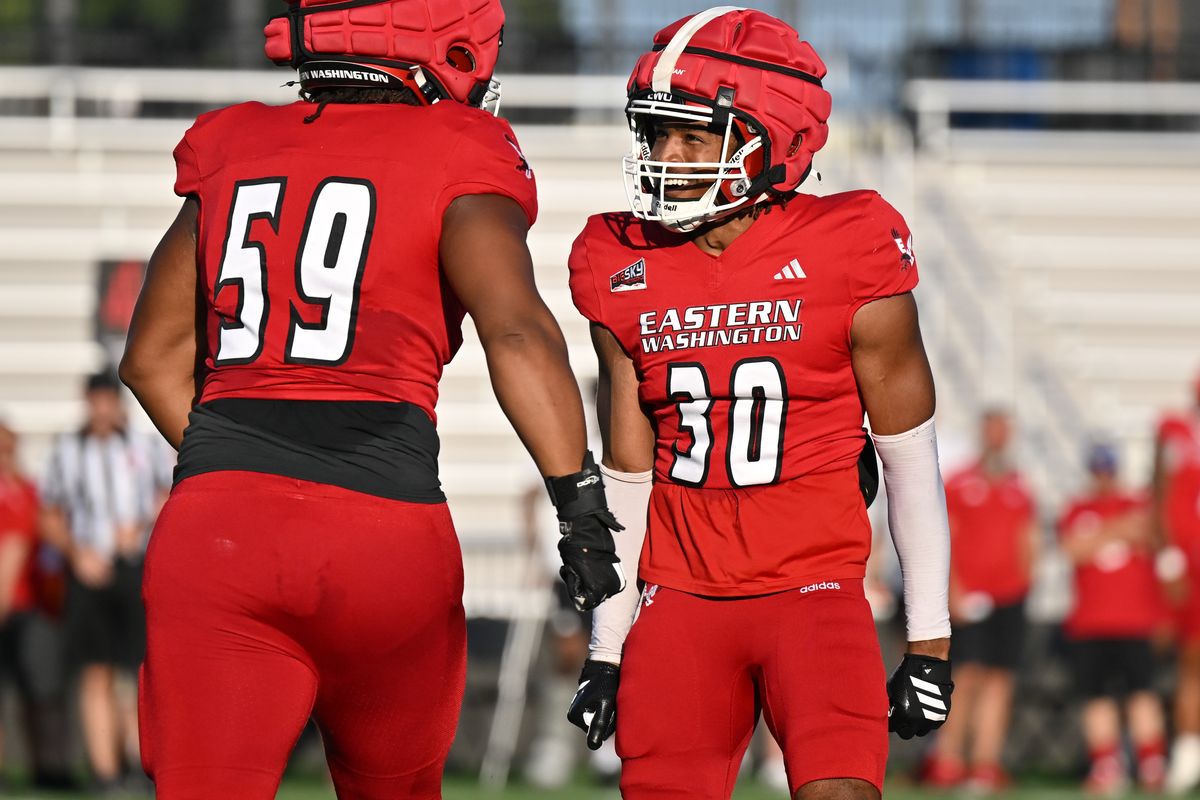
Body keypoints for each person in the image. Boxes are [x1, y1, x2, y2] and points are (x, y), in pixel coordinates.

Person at [118, 1, 624, 796]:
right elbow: (518, 334)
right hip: (381, 525)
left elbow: (150, 359)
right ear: (445, 46)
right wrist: (581, 505)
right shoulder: (457, 147)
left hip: (220, 527)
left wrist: (251, 469)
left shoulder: (232, 144)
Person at [561, 9, 955, 800]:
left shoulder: (850, 247)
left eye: (691, 138)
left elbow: (909, 458)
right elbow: (627, 474)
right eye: (655, 135)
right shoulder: (620, 261)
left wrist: (929, 642)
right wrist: (606, 648)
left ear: (767, 138)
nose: (664, 158)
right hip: (678, 599)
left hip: (815, 591)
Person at [39, 371, 171, 793]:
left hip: (134, 565)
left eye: (107, 400)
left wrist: (140, 525)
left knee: (139, 669)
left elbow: (167, 496)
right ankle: (105, 769)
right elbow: (49, 515)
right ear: (87, 402)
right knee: (94, 671)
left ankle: (140, 762)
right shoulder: (67, 451)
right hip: (88, 570)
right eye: (95, 400)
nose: (102, 409)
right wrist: (77, 553)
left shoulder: (144, 447)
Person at [923, 409, 1036, 791]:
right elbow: (947, 536)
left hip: (1008, 596)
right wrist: (953, 590)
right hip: (969, 595)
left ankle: (986, 762)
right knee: (965, 678)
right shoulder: (960, 483)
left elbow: (1027, 538)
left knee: (999, 680)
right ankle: (950, 758)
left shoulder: (1019, 486)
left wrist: (1025, 582)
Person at [1059, 442, 1167, 795]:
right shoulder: (1079, 507)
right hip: (1091, 621)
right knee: (1097, 697)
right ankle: (1107, 763)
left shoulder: (1136, 504)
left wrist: (1102, 533)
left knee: (1141, 694)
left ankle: (1151, 762)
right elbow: (1073, 549)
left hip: (1135, 620)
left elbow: (1150, 533)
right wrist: (1117, 529)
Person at [1155, 372, 1200, 794]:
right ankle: (1188, 752)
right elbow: (1160, 492)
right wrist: (1169, 560)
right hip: (1192, 564)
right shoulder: (1177, 431)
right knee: (1191, 662)